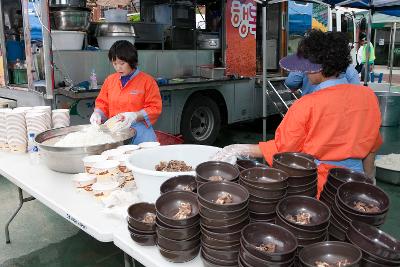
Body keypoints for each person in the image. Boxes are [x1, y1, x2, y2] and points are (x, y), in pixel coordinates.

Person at [216, 30, 382, 197]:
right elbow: (371, 148)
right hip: (357, 184)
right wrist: (369, 181)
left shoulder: (306, 104)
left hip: (322, 187)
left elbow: (282, 148)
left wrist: (236, 148)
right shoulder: (368, 96)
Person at [90, 40, 162, 144]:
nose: (118, 67)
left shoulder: (147, 81)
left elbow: (155, 108)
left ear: (131, 60)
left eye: (122, 63)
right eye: (114, 63)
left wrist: (134, 116)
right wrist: (98, 113)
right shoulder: (110, 80)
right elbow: (103, 103)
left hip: (140, 134)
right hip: (116, 134)